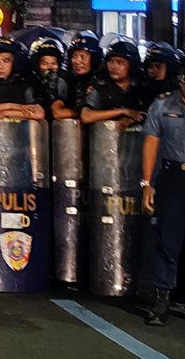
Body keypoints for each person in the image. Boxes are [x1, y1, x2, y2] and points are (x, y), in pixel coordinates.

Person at [142, 68, 185, 325]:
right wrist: (147, 183)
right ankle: (162, 300)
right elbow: (151, 142)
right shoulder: (162, 104)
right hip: (174, 177)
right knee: (168, 239)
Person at [79, 39, 148, 128]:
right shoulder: (100, 86)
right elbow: (86, 116)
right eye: (111, 61)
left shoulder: (142, 88)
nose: (113, 66)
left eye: (119, 62)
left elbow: (152, 115)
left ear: (131, 65)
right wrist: (123, 111)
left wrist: (131, 120)